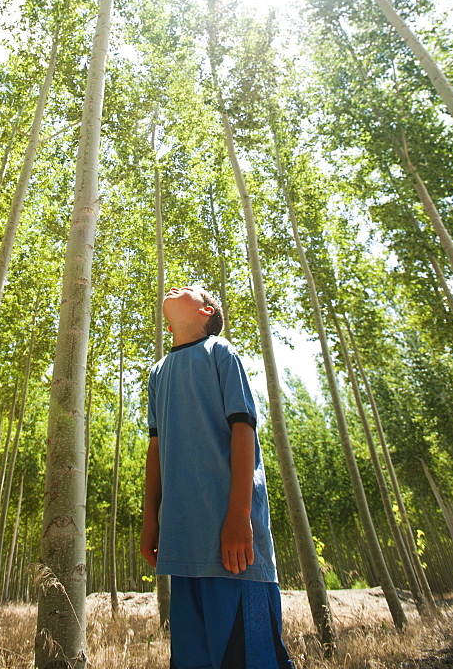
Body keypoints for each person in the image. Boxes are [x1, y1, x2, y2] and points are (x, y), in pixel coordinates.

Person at [140, 284, 293, 669]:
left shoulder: (219, 352)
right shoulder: (157, 374)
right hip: (182, 548)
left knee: (248, 656)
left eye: (188, 289)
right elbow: (155, 451)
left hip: (235, 552)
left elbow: (244, 428)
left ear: (207, 313)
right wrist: (149, 520)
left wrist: (240, 515)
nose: (175, 287)